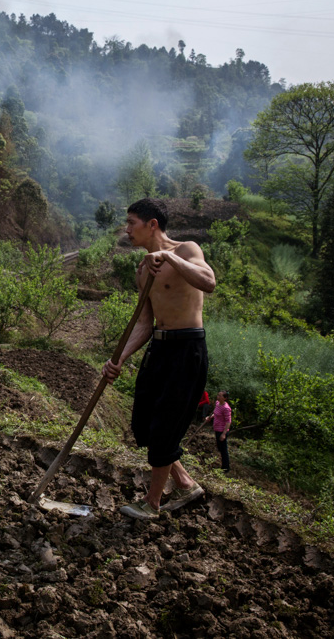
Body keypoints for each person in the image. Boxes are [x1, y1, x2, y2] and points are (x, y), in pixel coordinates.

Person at [102, 198, 216, 520]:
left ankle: (152, 504)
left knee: (165, 424)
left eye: (132, 223)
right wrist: (119, 359)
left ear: (152, 224)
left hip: (187, 349)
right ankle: (183, 482)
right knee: (143, 423)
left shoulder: (186, 250)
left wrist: (168, 257)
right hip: (160, 349)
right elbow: (144, 323)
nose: (126, 230)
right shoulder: (142, 270)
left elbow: (208, 282)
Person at [205, 390, 232, 471]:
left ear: (225, 398)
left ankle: (226, 468)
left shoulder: (226, 408)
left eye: (220, 396)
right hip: (216, 429)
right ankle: (223, 464)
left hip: (222, 431)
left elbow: (228, 422)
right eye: (218, 395)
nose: (218, 397)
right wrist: (210, 417)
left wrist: (224, 434)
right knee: (220, 447)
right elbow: (215, 413)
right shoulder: (217, 403)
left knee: (223, 449)